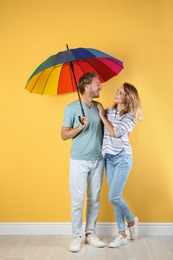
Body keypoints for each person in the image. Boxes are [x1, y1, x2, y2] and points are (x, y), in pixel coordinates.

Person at [61, 72, 105, 252]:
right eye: (97, 83)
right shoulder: (71, 108)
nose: (100, 87)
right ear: (86, 87)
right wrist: (80, 126)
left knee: (94, 198)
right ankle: (76, 236)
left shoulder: (99, 107)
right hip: (79, 160)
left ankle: (90, 233)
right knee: (78, 200)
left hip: (98, 159)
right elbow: (63, 135)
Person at [97, 82, 143, 248]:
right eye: (117, 91)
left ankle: (131, 221)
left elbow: (116, 133)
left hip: (123, 158)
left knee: (113, 197)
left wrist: (102, 117)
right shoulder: (109, 111)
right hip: (109, 158)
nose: (116, 93)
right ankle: (122, 234)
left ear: (128, 97)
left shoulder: (130, 116)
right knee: (116, 198)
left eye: (120, 92)